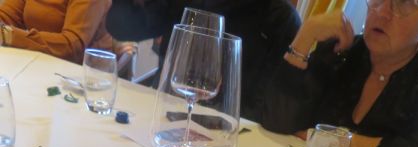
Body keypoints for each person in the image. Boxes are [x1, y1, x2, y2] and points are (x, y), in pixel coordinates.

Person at [262, 0, 418, 147]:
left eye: (404, 3)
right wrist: (305, 37)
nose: (381, 12)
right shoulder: (342, 51)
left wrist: (327, 139)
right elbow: (278, 120)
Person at [106, 0, 301, 121]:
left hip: (232, 136)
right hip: (164, 117)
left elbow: (266, 110)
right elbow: (122, 27)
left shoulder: (280, 19)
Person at [0, 0, 114, 64]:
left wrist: (9, 36)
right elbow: (8, 15)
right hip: (41, 62)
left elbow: (72, 46)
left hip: (86, 76)